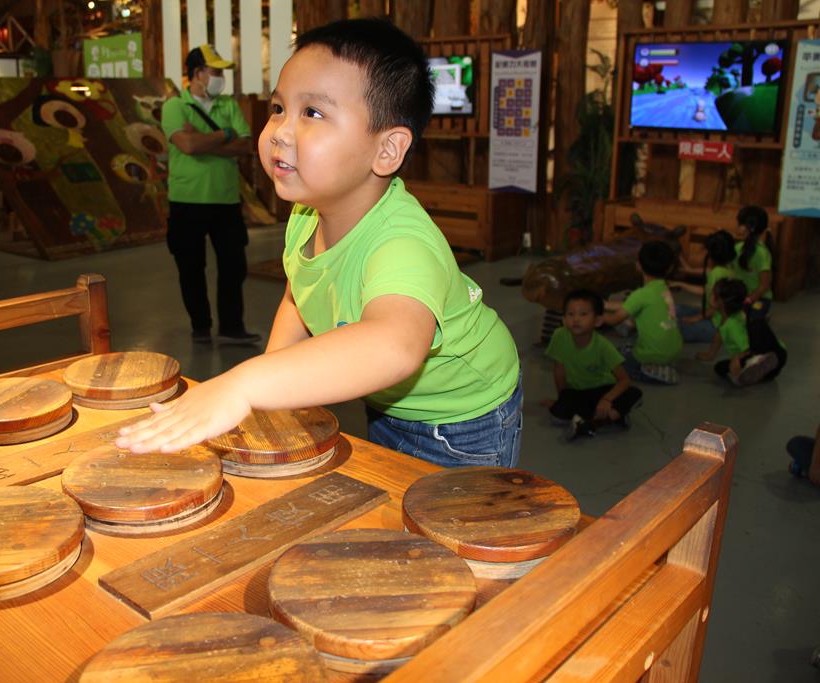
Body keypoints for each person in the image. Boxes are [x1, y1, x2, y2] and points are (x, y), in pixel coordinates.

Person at [118, 18, 522, 467]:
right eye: (278, 108)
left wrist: (246, 385)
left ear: (387, 149)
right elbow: (300, 295)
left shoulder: (403, 243)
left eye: (312, 113)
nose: (279, 131)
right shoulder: (306, 214)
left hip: (465, 419)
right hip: (389, 402)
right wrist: (272, 387)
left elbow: (395, 346)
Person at [160, 44, 260, 345]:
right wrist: (225, 135)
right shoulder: (175, 106)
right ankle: (200, 326)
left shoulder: (228, 104)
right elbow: (187, 146)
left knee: (234, 266)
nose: (220, 78)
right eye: (215, 71)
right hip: (187, 200)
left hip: (226, 199)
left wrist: (203, 140)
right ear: (198, 73)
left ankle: (232, 326)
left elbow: (246, 145)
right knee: (191, 267)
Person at [545, 289, 642, 440]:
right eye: (571, 314)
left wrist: (606, 400)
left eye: (583, 314)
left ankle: (592, 422)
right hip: (578, 392)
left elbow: (624, 380)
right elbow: (559, 370)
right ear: (563, 319)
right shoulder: (559, 336)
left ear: (598, 321)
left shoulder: (603, 346)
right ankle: (611, 417)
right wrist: (561, 398)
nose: (576, 319)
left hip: (603, 389)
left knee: (633, 393)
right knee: (556, 415)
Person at [602, 241, 682, 384]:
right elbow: (633, 305)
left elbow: (614, 319)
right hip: (673, 348)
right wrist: (605, 305)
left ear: (638, 265)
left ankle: (651, 371)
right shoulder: (662, 287)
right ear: (670, 268)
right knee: (625, 348)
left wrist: (594, 315)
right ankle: (660, 364)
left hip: (654, 353)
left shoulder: (641, 294)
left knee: (611, 363)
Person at [696, 278, 785, 386]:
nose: (709, 294)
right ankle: (757, 367)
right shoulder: (725, 316)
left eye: (713, 293)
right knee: (719, 367)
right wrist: (710, 354)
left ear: (720, 301)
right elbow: (719, 335)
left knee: (757, 324)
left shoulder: (732, 324)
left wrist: (737, 358)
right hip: (772, 359)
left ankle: (756, 363)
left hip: (773, 355)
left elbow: (747, 347)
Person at [676, 230, 737, 344]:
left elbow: (717, 306)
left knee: (674, 327)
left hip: (716, 325)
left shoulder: (719, 274)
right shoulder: (724, 269)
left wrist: (696, 318)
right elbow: (705, 288)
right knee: (676, 309)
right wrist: (681, 284)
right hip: (711, 315)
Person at [733, 205, 773, 321]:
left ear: (746, 227)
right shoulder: (737, 248)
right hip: (741, 296)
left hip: (759, 298)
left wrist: (748, 300)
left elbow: (764, 286)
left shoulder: (762, 253)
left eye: (739, 223)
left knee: (751, 325)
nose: (737, 226)